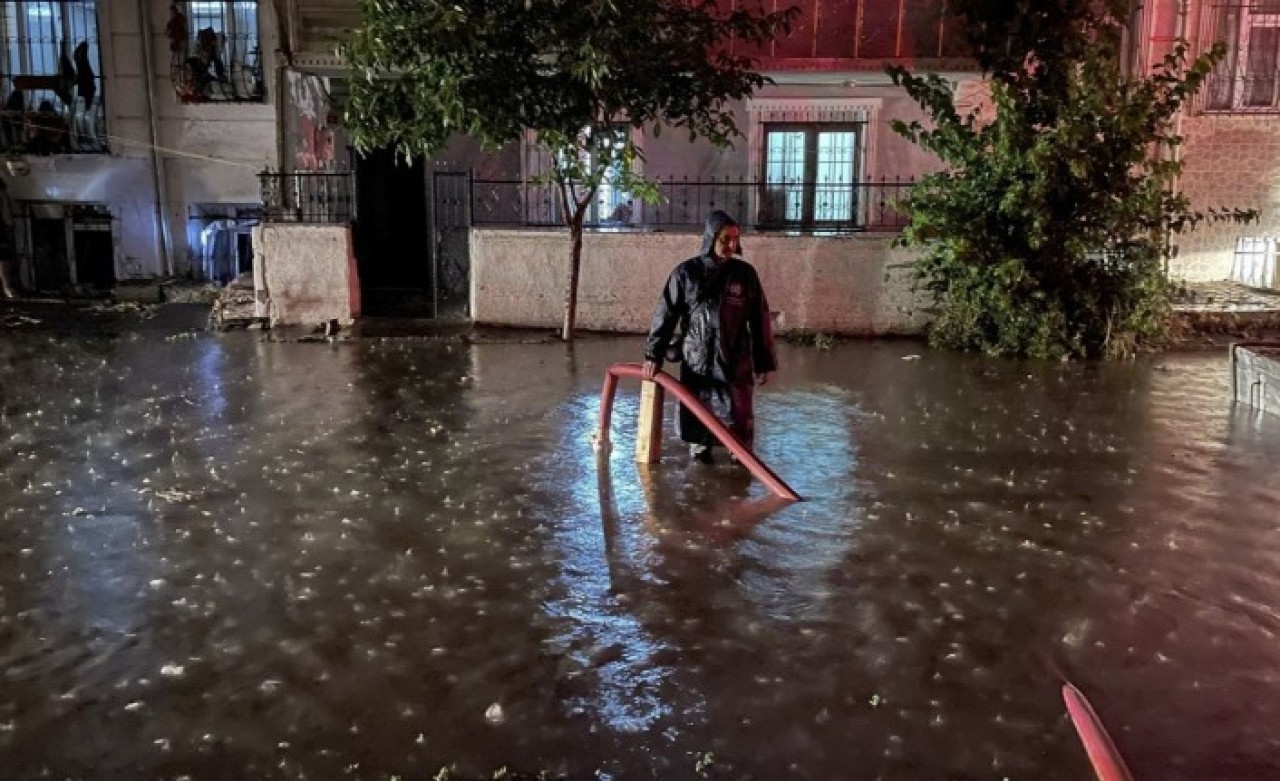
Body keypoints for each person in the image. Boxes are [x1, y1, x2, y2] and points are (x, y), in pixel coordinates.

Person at [642, 210, 776, 463]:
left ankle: (739, 453)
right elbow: (665, 315)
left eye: (735, 239)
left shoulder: (745, 275)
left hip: (735, 356)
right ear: (711, 238)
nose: (731, 245)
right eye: (725, 239)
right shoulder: (686, 274)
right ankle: (700, 448)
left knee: (738, 410)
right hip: (697, 357)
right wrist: (653, 356)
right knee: (698, 407)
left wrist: (764, 362)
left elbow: (760, 319)